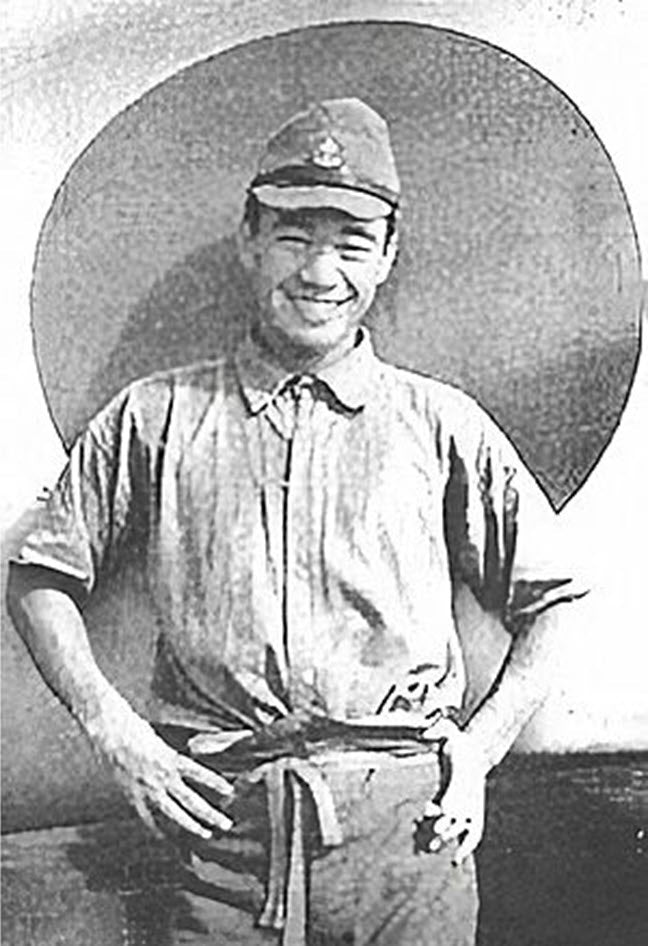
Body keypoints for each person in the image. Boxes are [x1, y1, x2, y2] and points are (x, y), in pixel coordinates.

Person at [7, 98, 586, 945]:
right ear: (249, 240)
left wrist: (481, 750)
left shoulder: (440, 424)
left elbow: (555, 603)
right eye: (292, 236)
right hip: (218, 842)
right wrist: (117, 735)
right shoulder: (155, 416)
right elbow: (38, 575)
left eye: (351, 244)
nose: (319, 272)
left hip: (409, 845)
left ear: (387, 258)